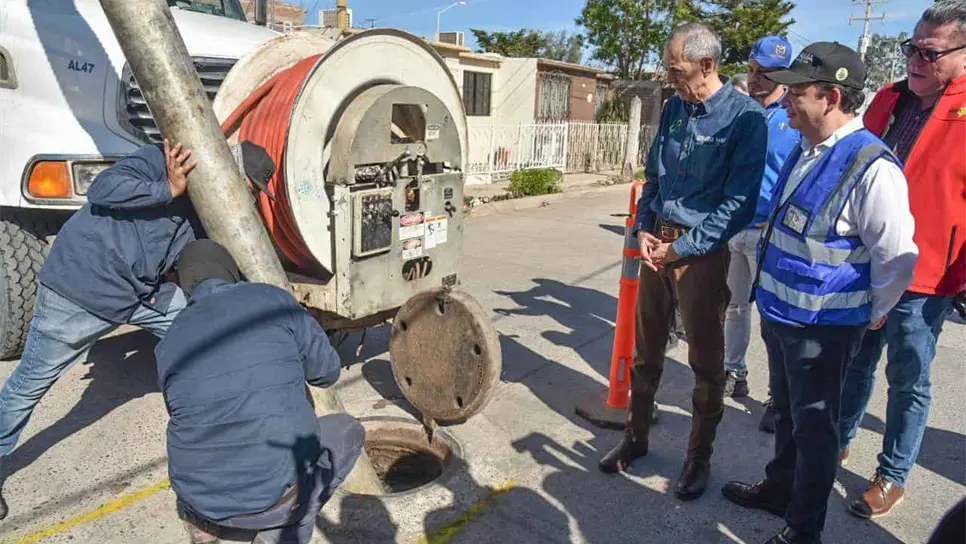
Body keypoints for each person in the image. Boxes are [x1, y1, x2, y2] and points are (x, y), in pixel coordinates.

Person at [721, 42, 919, 544]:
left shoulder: (872, 167)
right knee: (786, 414)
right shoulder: (807, 150)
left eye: (796, 91)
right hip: (785, 316)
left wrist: (869, 312)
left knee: (815, 430)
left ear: (831, 96)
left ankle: (803, 529)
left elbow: (896, 257)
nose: (784, 98)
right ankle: (779, 490)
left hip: (824, 327)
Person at [598, 23, 768, 503]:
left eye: (677, 70)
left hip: (702, 257)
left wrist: (683, 247)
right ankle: (635, 437)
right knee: (647, 353)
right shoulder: (674, 107)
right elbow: (653, 174)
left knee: (706, 364)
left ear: (707, 65)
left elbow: (739, 202)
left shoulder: (744, 119)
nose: (670, 78)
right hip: (656, 250)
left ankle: (698, 458)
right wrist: (644, 228)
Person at [0, 141, 203, 520]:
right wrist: (168, 189)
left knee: (202, 330)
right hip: (78, 291)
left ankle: (222, 433)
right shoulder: (157, 161)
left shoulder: (208, 210)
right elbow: (102, 189)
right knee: (27, 386)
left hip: (138, 294)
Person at [838, 0, 966, 520]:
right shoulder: (888, 99)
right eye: (911, 47)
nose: (915, 59)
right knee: (854, 363)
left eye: (929, 52)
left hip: (929, 275)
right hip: (868, 263)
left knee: (908, 378)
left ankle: (892, 475)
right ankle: (837, 442)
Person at [155, 240, 364, 544]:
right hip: (273, 497)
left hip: (195, 496)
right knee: (348, 430)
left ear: (186, 286)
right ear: (231, 271)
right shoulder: (271, 299)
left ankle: (207, 526)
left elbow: (177, 410)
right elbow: (327, 373)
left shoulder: (169, 339)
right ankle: (282, 530)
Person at [723, 36, 802, 412]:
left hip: (769, 234)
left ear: (784, 75)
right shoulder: (742, 112)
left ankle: (777, 397)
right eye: (752, 70)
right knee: (735, 307)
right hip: (734, 228)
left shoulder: (795, 118)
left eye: (764, 73)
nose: (754, 79)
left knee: (773, 320)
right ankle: (733, 371)